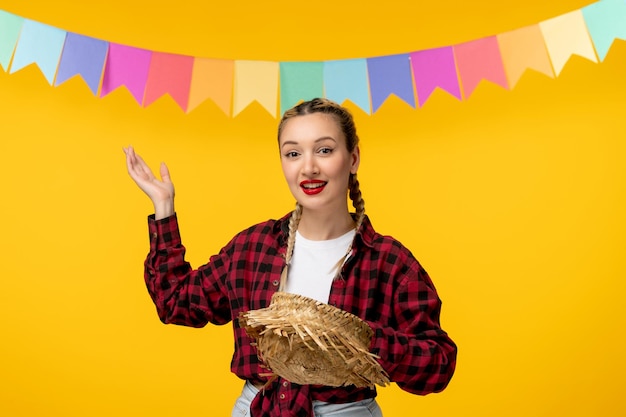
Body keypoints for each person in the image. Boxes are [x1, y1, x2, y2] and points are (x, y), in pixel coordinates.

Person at [123, 98, 457, 417]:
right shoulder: (253, 247)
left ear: (353, 158)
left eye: (324, 150)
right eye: (293, 153)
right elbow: (176, 301)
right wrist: (163, 208)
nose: (308, 167)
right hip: (257, 407)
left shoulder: (388, 262)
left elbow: (439, 365)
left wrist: (365, 342)